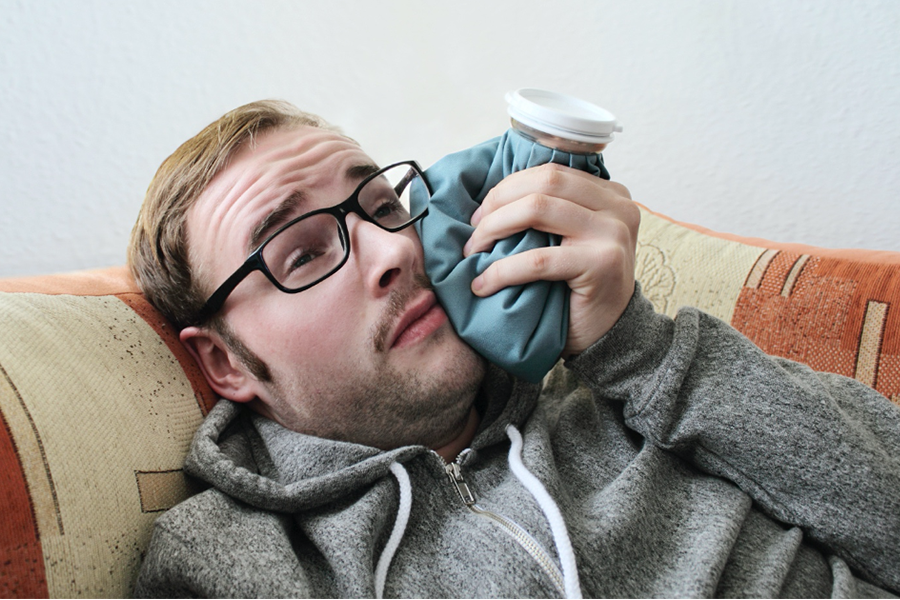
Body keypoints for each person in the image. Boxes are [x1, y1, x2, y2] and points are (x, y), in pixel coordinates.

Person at [129, 100, 900, 598]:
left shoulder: (639, 387)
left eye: (381, 205)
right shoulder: (234, 564)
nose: (393, 252)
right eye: (301, 253)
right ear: (226, 363)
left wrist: (641, 352)